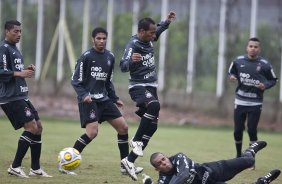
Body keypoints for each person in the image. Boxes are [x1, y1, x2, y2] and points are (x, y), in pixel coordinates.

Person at [64, 27, 143, 175]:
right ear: (93, 39)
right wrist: (84, 95)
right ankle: (66, 163)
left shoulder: (110, 57)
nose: (101, 41)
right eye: (98, 38)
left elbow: (107, 82)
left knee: (123, 128)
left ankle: (125, 166)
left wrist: (114, 98)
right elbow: (75, 80)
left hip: (104, 99)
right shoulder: (86, 56)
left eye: (104, 38)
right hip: (89, 100)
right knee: (92, 132)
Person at [119, 11, 176, 181]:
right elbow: (122, 66)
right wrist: (131, 62)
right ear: (141, 31)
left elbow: (158, 30)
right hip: (138, 86)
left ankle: (129, 161)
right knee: (154, 106)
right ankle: (136, 141)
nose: (154, 35)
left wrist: (166, 22)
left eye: (153, 33)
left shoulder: (149, 38)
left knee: (152, 126)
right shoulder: (133, 45)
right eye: (150, 33)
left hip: (151, 86)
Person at [0, 20, 52, 178]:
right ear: (7, 32)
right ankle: (15, 167)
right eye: (15, 31)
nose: (19, 34)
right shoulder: (3, 48)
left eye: (20, 31)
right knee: (31, 127)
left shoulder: (15, 49)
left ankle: (35, 168)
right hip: (10, 97)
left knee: (39, 127)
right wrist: (20, 73)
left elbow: (14, 71)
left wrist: (26, 70)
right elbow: (1, 72)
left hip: (21, 94)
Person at [228, 37, 277, 165]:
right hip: (240, 101)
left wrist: (265, 85)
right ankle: (239, 155)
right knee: (238, 130)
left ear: (259, 49)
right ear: (247, 47)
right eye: (251, 46)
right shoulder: (238, 61)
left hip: (255, 102)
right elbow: (230, 72)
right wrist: (232, 77)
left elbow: (273, 80)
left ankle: (251, 159)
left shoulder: (265, 64)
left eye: (256, 47)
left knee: (251, 130)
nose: (253, 49)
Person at [146, 141, 280, 184]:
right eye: (159, 164)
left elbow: (184, 175)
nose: (163, 163)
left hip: (214, 170)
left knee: (249, 161)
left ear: (167, 157)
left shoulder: (179, 157)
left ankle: (250, 150)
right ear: (157, 169)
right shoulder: (163, 180)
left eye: (163, 159)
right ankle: (263, 181)